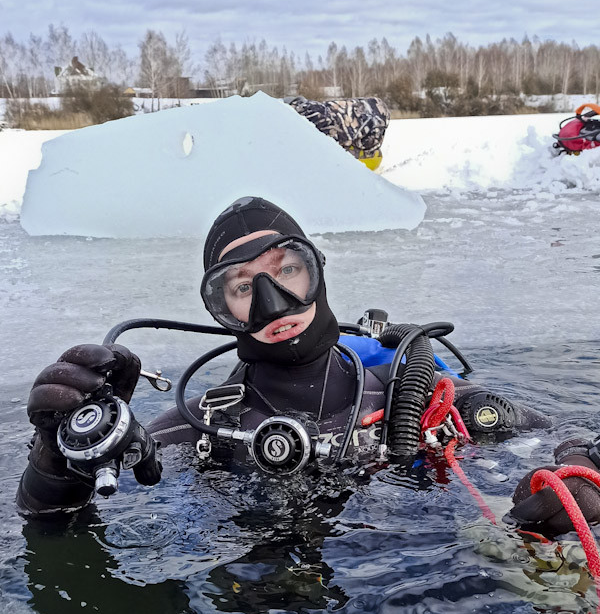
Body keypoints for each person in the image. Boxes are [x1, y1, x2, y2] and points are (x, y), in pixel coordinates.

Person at [17, 196, 553, 519]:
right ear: (220, 307)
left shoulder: (405, 388)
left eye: (287, 269)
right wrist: (60, 456)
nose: (273, 302)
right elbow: (53, 521)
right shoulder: (202, 425)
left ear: (315, 271)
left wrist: (579, 472)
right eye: (243, 285)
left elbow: (551, 437)